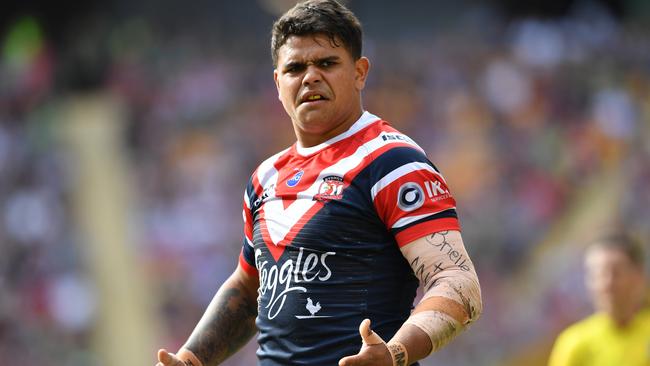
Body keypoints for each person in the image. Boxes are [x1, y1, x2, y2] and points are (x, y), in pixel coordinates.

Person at [156, 1, 482, 365]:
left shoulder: (392, 162)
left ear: (360, 72)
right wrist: (190, 360)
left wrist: (395, 353)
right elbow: (249, 293)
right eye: (295, 68)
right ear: (278, 83)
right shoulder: (265, 178)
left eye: (326, 63)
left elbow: (458, 281)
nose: (310, 76)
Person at [548, 232, 650, 366]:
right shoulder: (574, 345)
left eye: (616, 273)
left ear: (638, 276)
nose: (607, 284)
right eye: (598, 274)